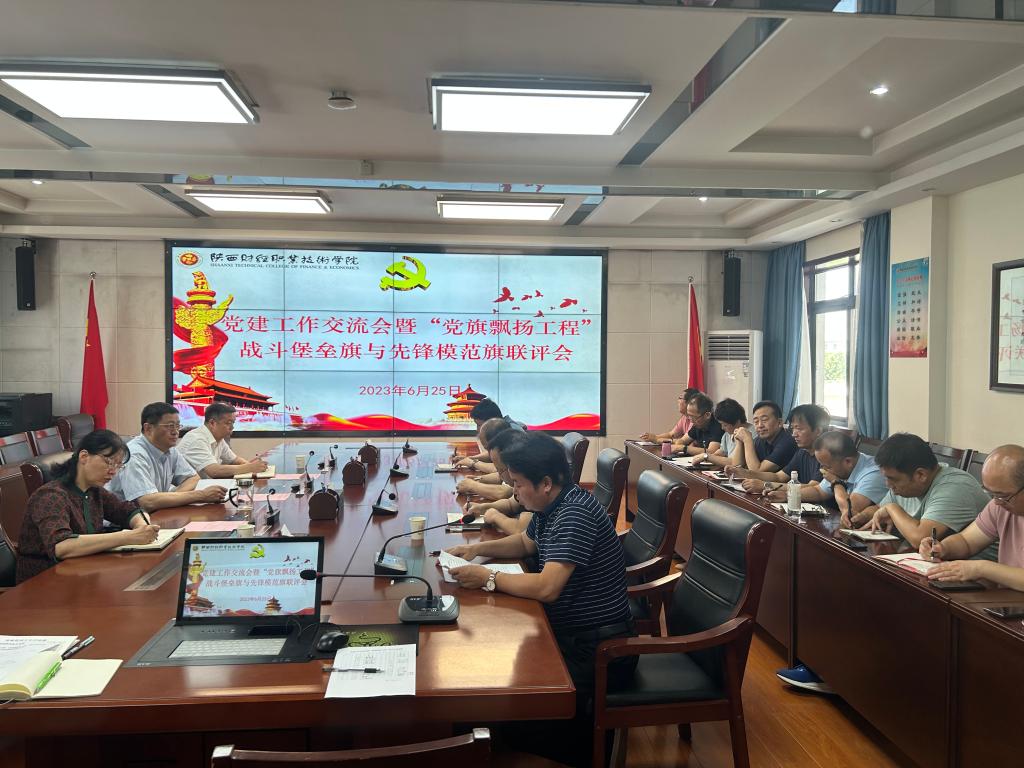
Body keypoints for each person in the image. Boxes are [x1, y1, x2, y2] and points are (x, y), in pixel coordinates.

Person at [445, 432, 634, 767]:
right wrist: (476, 550)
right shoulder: (554, 504)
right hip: (568, 634)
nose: (514, 492)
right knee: (485, 681)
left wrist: (488, 577)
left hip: (597, 651)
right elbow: (524, 543)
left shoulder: (574, 514)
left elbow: (547, 588)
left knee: (496, 705)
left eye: (518, 484)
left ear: (545, 483)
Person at [16, 430, 161, 583]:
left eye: (118, 466)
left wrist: (141, 526)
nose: (113, 472)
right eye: (109, 462)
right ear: (84, 456)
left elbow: (127, 510)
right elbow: (62, 546)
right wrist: (129, 537)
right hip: (44, 583)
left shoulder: (93, 490)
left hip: (82, 573)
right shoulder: (50, 496)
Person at [865, 433, 995, 557]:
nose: (888, 484)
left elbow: (919, 538)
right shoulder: (907, 484)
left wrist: (892, 508)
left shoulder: (955, 487)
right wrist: (861, 516)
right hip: (937, 559)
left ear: (921, 475)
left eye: (892, 479)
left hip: (980, 567)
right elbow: (880, 509)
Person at [923, 445, 1024, 589]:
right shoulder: (999, 506)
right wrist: (943, 548)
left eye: (1002, 496)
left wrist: (981, 568)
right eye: (991, 494)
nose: (996, 502)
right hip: (1005, 598)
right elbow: (966, 541)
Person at [107, 402, 227, 511]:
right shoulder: (135, 454)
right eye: (170, 426)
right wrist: (201, 495)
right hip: (122, 523)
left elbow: (193, 478)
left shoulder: (170, 450)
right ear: (148, 428)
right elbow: (146, 502)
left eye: (178, 426)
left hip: (154, 515)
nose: (175, 432)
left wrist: (171, 498)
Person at [730, 404, 829, 498]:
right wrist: (746, 473)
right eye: (793, 428)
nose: (794, 434)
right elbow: (779, 477)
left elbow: (813, 488)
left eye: (799, 429)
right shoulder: (802, 452)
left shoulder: (828, 455)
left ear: (818, 431)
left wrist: (765, 485)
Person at [798, 432, 888, 522]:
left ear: (848, 462)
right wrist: (792, 494)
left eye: (827, 467)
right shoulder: (840, 465)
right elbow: (819, 491)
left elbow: (850, 510)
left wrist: (835, 482)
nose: (824, 470)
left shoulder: (874, 473)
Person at [178, 402, 268, 479]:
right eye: (228, 423)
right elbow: (214, 471)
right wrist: (250, 467)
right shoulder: (196, 439)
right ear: (212, 423)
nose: (232, 427)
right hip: (184, 491)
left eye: (233, 423)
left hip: (204, 487)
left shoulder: (219, 438)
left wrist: (252, 466)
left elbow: (234, 460)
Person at [468, 427, 530, 535]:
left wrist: (496, 516)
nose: (499, 476)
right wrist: (482, 508)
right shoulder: (521, 484)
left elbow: (521, 532)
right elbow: (511, 504)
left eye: (500, 470)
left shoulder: (532, 485)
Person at [735, 400, 797, 473]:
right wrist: (739, 441)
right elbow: (737, 466)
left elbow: (757, 472)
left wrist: (747, 440)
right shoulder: (760, 440)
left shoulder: (788, 441)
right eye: (756, 422)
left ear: (780, 422)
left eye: (764, 420)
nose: (760, 425)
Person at [672, 392, 724, 457]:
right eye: (689, 415)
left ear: (707, 415)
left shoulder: (718, 426)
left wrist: (684, 448)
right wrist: (678, 445)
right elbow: (683, 440)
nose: (690, 420)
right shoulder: (698, 424)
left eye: (693, 417)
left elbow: (711, 451)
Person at [703, 398, 748, 468]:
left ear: (737, 422)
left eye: (725, 425)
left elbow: (737, 463)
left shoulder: (750, 435)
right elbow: (722, 452)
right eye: (721, 424)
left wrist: (708, 457)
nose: (722, 428)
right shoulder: (727, 434)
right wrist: (705, 458)